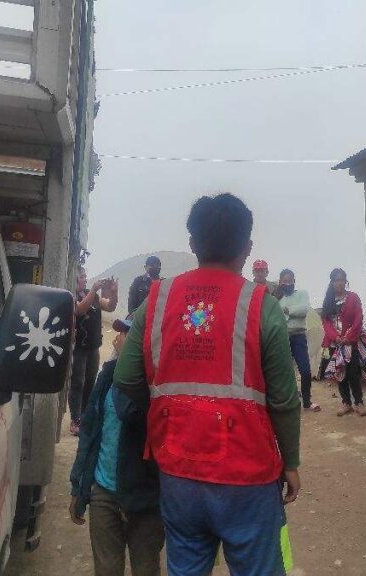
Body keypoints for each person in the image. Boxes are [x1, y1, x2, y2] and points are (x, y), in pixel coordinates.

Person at [115, 193, 301, 576]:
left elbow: (126, 377)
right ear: (248, 247)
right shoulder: (260, 303)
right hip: (248, 475)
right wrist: (292, 462)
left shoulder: (158, 297)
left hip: (178, 472)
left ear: (192, 243)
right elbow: (284, 399)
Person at [69, 318, 163, 576]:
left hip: (145, 500)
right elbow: (89, 431)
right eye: (119, 333)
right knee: (107, 570)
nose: (116, 339)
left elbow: (128, 412)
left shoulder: (157, 386)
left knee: (146, 569)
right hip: (104, 493)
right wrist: (78, 485)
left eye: (125, 334)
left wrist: (126, 372)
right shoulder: (107, 376)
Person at [70, 267, 117, 436]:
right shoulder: (72, 297)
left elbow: (110, 307)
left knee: (90, 381)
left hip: (93, 347)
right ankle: (75, 420)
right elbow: (80, 309)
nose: (84, 279)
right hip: (79, 348)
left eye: (84, 276)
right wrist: (94, 290)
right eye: (81, 277)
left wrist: (113, 293)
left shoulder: (94, 297)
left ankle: (84, 416)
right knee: (77, 383)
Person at [321, 268, 366, 417]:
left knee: (353, 372)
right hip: (335, 344)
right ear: (332, 282)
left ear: (345, 281)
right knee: (340, 373)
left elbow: (358, 318)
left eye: (342, 279)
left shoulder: (353, 297)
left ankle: (358, 402)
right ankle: (346, 402)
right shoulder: (328, 301)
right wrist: (335, 337)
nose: (339, 282)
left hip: (350, 343)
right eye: (336, 280)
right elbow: (326, 322)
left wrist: (349, 336)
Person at [277, 269, 320, 412]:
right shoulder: (278, 300)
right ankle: (291, 401)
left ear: (294, 281)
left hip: (299, 337)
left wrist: (287, 311)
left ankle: (307, 402)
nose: (288, 283)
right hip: (283, 339)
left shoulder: (302, 294)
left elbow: (304, 310)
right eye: (285, 281)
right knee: (286, 373)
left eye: (290, 281)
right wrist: (292, 312)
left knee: (306, 371)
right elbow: (279, 319)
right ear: (280, 283)